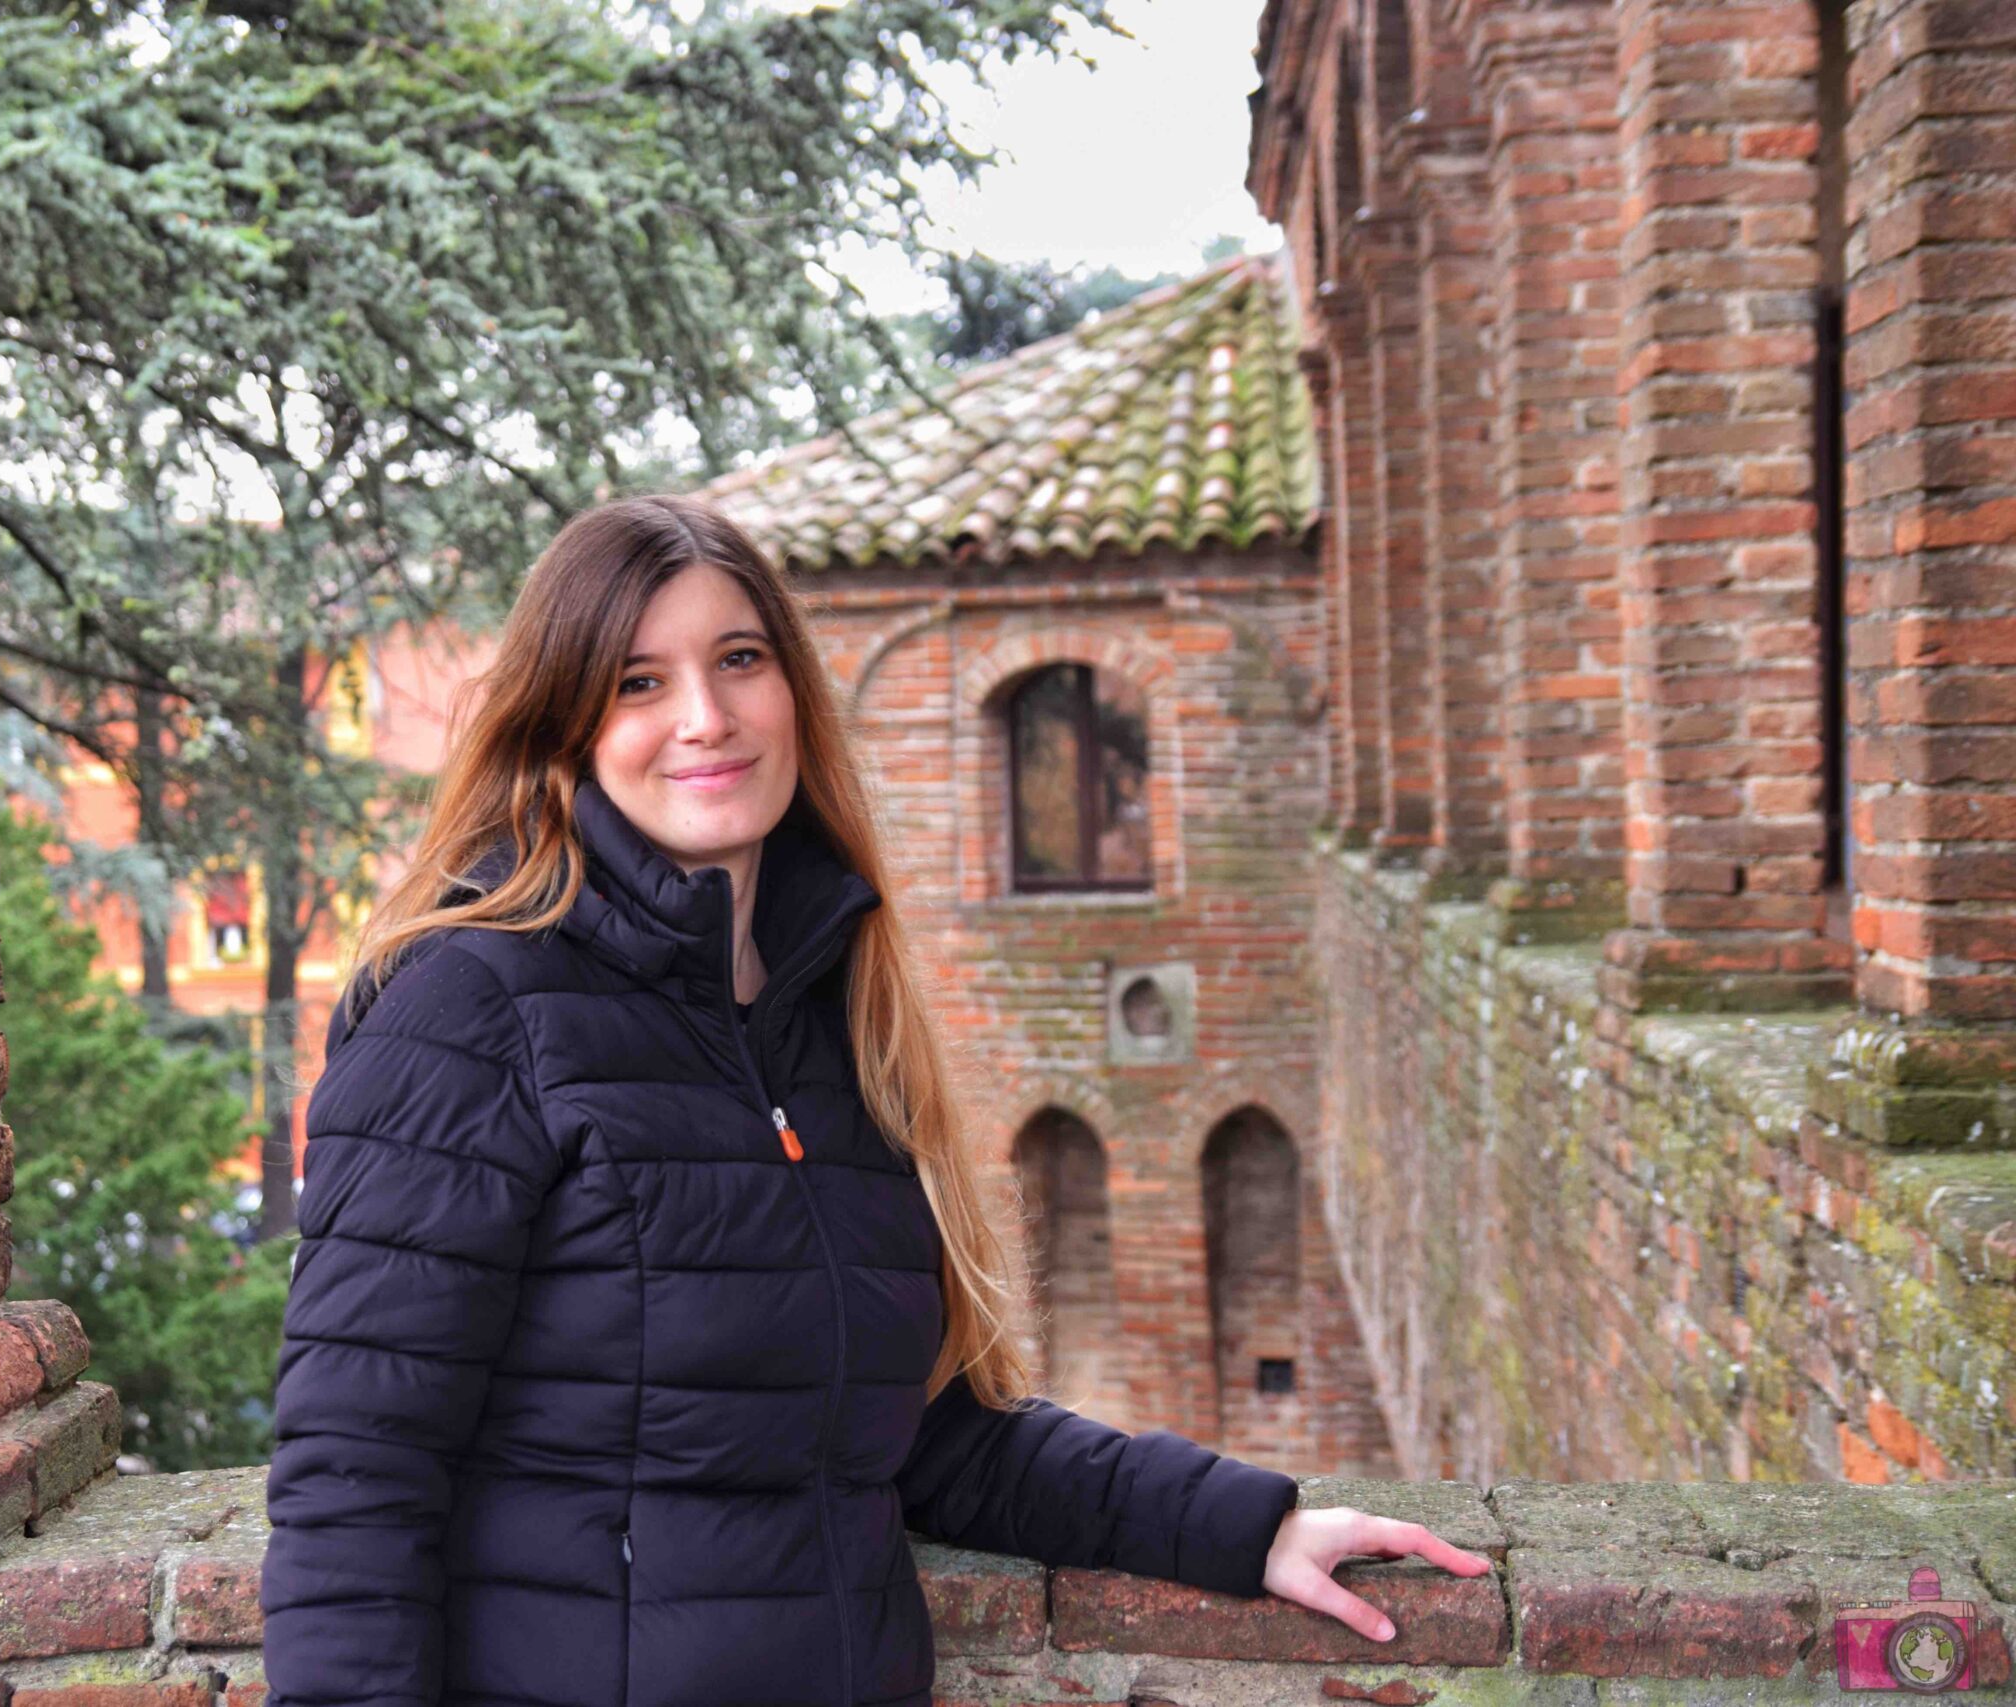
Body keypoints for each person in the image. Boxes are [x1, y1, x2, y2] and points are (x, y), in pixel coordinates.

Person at [260, 494, 1492, 1707]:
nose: (704, 717)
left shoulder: (829, 1017)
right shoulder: (468, 1004)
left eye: (738, 660)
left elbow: (913, 1436)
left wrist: (1244, 1527)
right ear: (564, 722)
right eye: (637, 681)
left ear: (793, 687)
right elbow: (354, 1479)